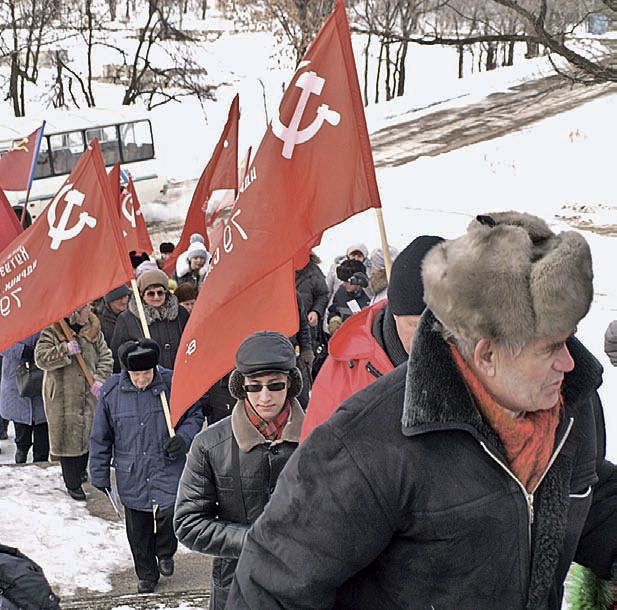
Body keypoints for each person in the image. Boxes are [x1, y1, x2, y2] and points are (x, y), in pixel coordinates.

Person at [227, 212, 617, 609]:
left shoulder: (566, 408)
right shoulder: (367, 442)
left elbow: (585, 499)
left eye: (567, 340)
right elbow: (271, 584)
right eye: (550, 348)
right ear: (488, 354)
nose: (569, 363)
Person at [174, 331, 304, 610]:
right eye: (254, 387)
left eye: (275, 385)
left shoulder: (320, 438)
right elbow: (188, 523)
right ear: (240, 386)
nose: (265, 397)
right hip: (236, 588)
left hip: (304, 586)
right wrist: (256, 540)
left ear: (291, 384)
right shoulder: (209, 445)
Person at [302, 235, 443, 442]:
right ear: (395, 314)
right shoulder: (346, 369)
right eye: (415, 325)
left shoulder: (482, 360)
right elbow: (312, 457)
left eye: (441, 327)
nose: (427, 337)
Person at [89, 338, 203, 594]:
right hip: (132, 469)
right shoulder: (111, 392)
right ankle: (146, 574)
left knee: (170, 512)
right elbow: (101, 434)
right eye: (136, 374)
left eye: (147, 373)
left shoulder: (172, 384)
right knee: (137, 528)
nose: (142, 379)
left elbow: (195, 414)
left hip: (167, 464)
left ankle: (165, 550)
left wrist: (183, 438)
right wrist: (98, 471)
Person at [35, 304, 112, 501]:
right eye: (86, 308)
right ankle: (72, 482)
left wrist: (100, 379)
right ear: (74, 312)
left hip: (88, 395)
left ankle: (80, 470)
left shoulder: (93, 331)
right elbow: (41, 358)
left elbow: (106, 356)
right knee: (67, 438)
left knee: (87, 435)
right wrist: (63, 350)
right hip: (63, 398)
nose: (90, 311)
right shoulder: (53, 331)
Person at [111, 268, 189, 370]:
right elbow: (119, 356)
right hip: (147, 380)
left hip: (180, 373)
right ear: (142, 295)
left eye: (160, 293)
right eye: (151, 293)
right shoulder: (127, 319)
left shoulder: (181, 313)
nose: (156, 297)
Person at [0, 333, 49, 463]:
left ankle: (41, 462)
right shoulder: (8, 314)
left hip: (43, 375)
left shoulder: (45, 314)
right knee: (22, 432)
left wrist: (43, 350)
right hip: (16, 377)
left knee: (43, 434)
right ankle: (21, 456)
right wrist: (21, 351)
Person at [326, 259, 370, 335]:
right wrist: (334, 320)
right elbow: (334, 310)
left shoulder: (370, 296)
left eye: (347, 282)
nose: (344, 284)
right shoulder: (341, 292)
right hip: (346, 338)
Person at [97, 285, 130, 372]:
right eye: (119, 298)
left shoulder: (135, 315)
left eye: (126, 296)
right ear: (109, 301)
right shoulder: (98, 322)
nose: (124, 301)